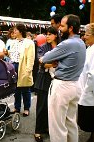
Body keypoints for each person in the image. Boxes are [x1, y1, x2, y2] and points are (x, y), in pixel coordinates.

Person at [39, 14, 86, 142]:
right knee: (70, 123)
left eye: (62, 26)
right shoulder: (81, 42)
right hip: (75, 85)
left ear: (70, 28)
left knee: (57, 126)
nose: (59, 28)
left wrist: (49, 60)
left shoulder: (67, 43)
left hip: (62, 87)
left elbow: (44, 58)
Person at [34, 26, 60, 142]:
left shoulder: (60, 46)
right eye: (46, 34)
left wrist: (53, 63)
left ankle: (46, 127)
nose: (47, 36)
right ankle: (37, 131)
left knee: (53, 106)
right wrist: (54, 64)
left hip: (57, 79)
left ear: (56, 35)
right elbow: (41, 62)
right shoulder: (43, 47)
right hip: (43, 79)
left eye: (50, 34)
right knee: (41, 106)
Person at [8, 23, 35, 116]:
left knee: (25, 88)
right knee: (16, 88)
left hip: (23, 66)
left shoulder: (29, 42)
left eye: (15, 30)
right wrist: (6, 53)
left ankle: (26, 108)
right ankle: (17, 107)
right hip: (13, 66)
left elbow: (30, 58)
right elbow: (12, 55)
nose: (13, 32)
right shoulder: (13, 42)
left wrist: (28, 70)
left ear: (20, 31)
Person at [78, 23, 94, 142]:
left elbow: (92, 75)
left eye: (87, 34)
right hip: (86, 91)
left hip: (90, 93)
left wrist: (86, 91)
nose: (84, 37)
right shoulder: (89, 48)